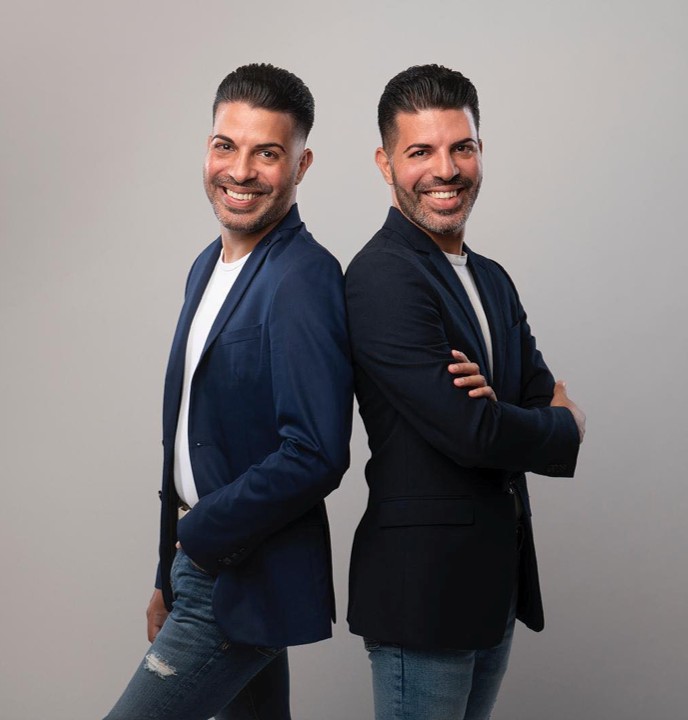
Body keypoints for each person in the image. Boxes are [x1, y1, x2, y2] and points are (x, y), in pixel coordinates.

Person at [104, 63, 352, 720]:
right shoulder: (205, 267)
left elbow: (317, 452)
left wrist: (199, 540)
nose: (240, 171)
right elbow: (192, 434)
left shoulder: (303, 278)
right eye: (225, 146)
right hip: (200, 566)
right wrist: (167, 572)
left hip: (240, 578)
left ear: (300, 165)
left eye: (267, 153)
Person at [345, 64, 586, 720]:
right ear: (385, 163)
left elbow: (530, 394)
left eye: (462, 148)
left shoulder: (492, 279)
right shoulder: (382, 278)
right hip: (423, 593)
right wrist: (564, 424)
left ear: (481, 152)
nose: (445, 169)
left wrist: (504, 411)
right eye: (420, 151)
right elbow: (474, 432)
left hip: (493, 586)